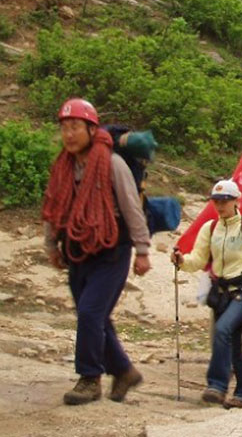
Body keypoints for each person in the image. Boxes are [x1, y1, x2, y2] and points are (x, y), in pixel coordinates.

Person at [42, 99, 152, 405]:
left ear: (92, 130)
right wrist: (51, 245)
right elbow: (54, 205)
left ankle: (90, 378)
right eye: (64, 128)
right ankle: (124, 371)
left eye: (75, 127)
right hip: (77, 250)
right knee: (94, 315)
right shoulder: (63, 166)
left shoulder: (112, 164)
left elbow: (131, 207)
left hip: (112, 250)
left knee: (90, 313)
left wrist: (143, 250)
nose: (69, 134)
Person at [171, 180, 242, 408]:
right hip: (220, 293)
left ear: (236, 201)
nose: (220, 206)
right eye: (216, 201)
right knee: (236, 343)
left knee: (222, 330)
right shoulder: (209, 229)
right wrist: (182, 261)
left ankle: (217, 385)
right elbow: (198, 259)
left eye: (225, 201)